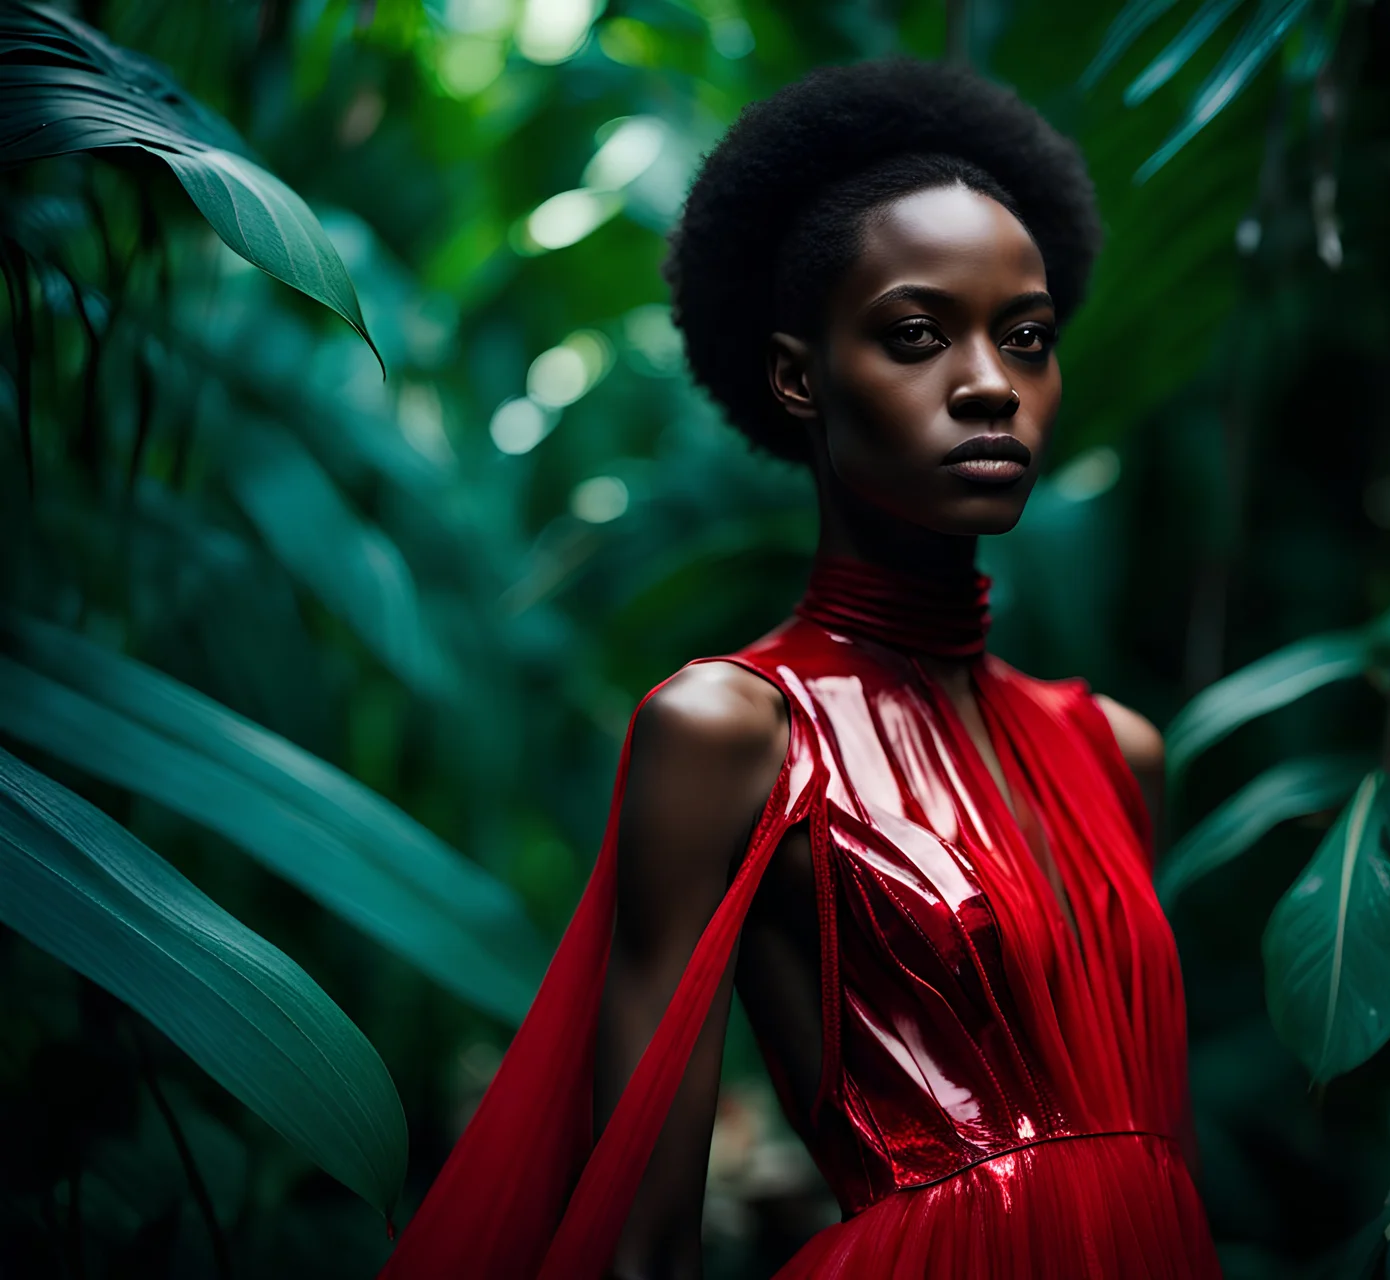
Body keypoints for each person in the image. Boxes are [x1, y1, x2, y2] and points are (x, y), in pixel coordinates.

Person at [380, 58, 1221, 1280]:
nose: (991, 383)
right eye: (918, 334)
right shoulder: (730, 730)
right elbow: (643, 1232)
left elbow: (1168, 1168)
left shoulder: (1117, 748)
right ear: (798, 378)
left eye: (1026, 336)